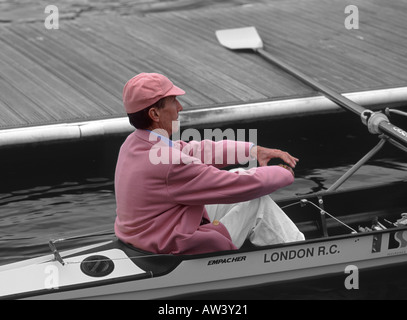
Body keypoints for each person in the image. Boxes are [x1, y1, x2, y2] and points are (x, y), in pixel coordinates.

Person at [114, 73, 304, 255]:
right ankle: (300, 255)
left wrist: (252, 151)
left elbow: (195, 151)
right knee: (256, 201)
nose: (180, 107)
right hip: (173, 245)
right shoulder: (170, 163)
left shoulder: (134, 143)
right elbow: (232, 185)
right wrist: (283, 173)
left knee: (240, 173)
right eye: (173, 101)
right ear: (155, 113)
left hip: (148, 235)